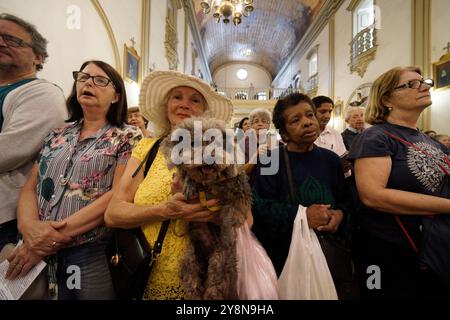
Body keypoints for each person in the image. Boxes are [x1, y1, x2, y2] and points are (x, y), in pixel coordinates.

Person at [6, 60, 142, 300]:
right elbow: (30, 188)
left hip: (86, 253)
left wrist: (46, 240)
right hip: (30, 248)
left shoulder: (127, 136)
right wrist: (29, 231)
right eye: (83, 77)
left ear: (116, 96)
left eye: (100, 80)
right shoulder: (57, 133)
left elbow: (118, 195)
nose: (88, 82)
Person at [104, 70, 234, 300]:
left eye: (195, 100)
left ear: (204, 111)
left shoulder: (219, 153)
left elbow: (246, 219)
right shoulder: (147, 148)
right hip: (145, 272)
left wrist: (209, 213)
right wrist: (165, 210)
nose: (184, 104)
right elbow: (113, 213)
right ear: (167, 106)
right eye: (177, 97)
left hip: (202, 279)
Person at [347, 66, 450, 299]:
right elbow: (372, 195)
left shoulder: (429, 140)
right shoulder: (375, 136)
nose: (424, 86)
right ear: (386, 99)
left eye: (424, 81)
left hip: (432, 246)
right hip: (390, 248)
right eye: (411, 84)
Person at [251, 93, 349, 296]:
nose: (307, 123)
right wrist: (303, 215)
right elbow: (260, 207)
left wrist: (339, 215)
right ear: (284, 133)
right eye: (296, 120)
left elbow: (346, 201)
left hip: (328, 250)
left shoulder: (331, 160)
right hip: (286, 255)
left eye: (309, 115)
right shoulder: (271, 160)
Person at [0, 14, 66, 250]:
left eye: (11, 39)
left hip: (6, 219)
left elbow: (7, 153)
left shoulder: (42, 94)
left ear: (38, 56)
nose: (1, 43)